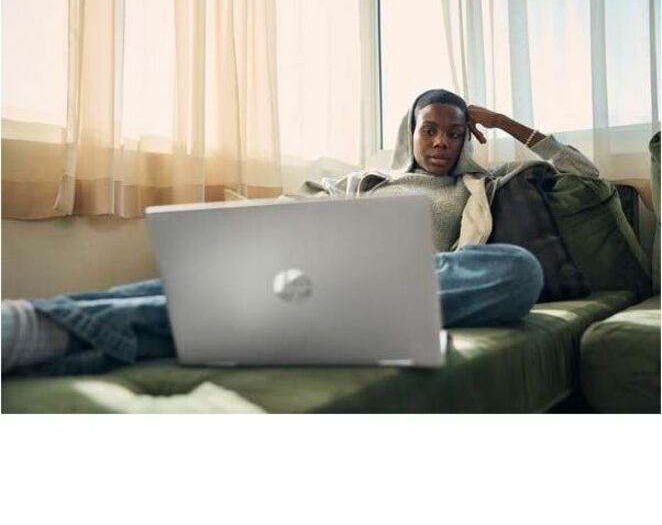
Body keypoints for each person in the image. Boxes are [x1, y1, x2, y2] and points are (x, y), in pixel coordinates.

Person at [1, 89, 600, 376]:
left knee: (518, 270)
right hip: (320, 282)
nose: (442, 142)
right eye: (430, 130)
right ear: (410, 133)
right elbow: (288, 221)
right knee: (198, 282)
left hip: (404, 294)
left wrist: (503, 122)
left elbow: (583, 174)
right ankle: (40, 322)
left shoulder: (482, 186)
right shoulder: (360, 183)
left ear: (468, 138)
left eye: (455, 132)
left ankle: (57, 329)